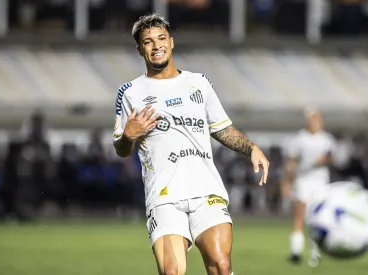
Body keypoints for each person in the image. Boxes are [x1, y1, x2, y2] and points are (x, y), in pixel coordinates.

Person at [112, 13, 270, 275]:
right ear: (140, 48)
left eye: (161, 38)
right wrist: (128, 136)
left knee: (221, 265)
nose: (156, 45)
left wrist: (251, 147)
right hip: (164, 198)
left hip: (205, 190)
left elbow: (221, 129)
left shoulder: (199, 83)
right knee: (172, 271)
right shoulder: (130, 92)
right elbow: (121, 149)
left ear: (171, 42)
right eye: (148, 41)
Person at [281, 109, 334, 267]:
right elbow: (291, 162)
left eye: (318, 119)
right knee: (299, 215)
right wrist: (286, 181)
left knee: (318, 217)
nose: (315, 122)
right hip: (303, 181)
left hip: (320, 182)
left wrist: (324, 159)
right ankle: (296, 252)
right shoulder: (299, 139)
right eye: (313, 119)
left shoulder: (326, 139)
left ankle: (315, 253)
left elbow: (332, 158)